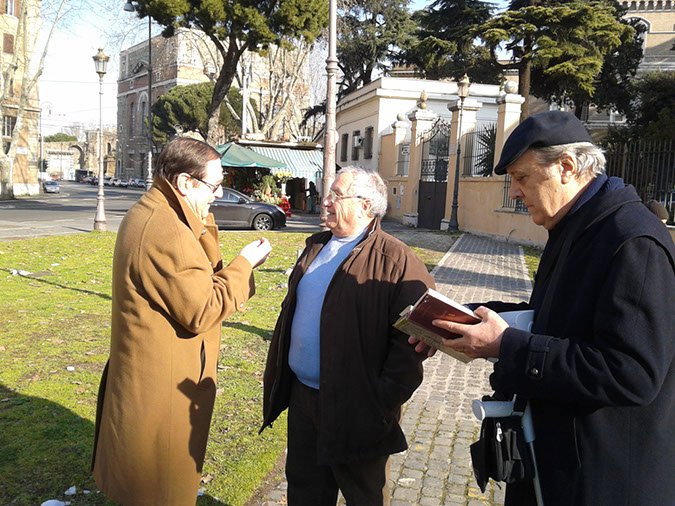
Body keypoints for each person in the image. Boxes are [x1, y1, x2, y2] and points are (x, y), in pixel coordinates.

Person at [422, 111, 675, 505]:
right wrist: (461, 317)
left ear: (567, 167)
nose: (515, 194)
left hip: (600, 483)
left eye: (522, 178)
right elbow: (556, 319)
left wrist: (507, 347)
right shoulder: (574, 227)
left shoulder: (632, 241)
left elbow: (633, 373)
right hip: (552, 468)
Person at [92, 137, 272, 505]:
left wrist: (201, 214)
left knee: (155, 480)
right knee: (161, 485)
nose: (219, 195)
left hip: (159, 368)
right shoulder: (165, 228)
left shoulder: (165, 211)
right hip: (163, 381)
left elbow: (198, 269)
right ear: (185, 182)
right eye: (214, 185)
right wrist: (244, 265)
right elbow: (201, 309)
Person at [261, 167, 435, 505]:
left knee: (364, 495)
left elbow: (414, 343)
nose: (325, 201)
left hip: (358, 408)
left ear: (366, 206)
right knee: (304, 490)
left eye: (336, 195)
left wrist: (380, 400)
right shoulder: (317, 246)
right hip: (304, 399)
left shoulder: (397, 260)